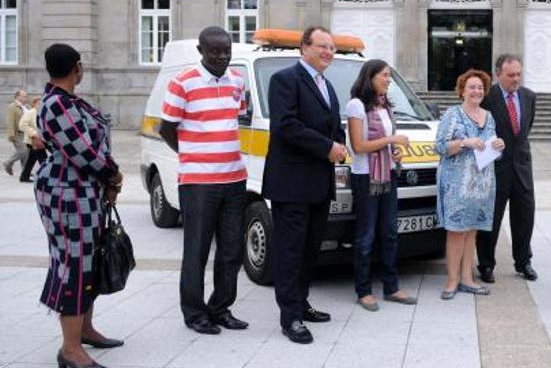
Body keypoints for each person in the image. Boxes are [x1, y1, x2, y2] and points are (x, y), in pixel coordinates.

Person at [35, 44, 124, 368]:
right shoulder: (58, 104)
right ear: (77, 67)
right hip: (66, 192)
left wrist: (108, 177)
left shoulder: (66, 101)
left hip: (80, 190)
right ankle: (70, 349)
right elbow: (83, 152)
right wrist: (113, 172)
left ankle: (85, 330)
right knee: (73, 263)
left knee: (88, 259)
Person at [159, 26, 250, 335]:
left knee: (231, 250)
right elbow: (166, 129)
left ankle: (221, 307)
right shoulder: (182, 82)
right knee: (196, 251)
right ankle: (195, 314)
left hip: (235, 179)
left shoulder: (237, 81)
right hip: (198, 182)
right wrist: (193, 155)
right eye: (215, 51)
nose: (222, 57)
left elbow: (233, 120)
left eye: (226, 51)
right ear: (201, 51)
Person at [262, 26, 347, 344]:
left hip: (319, 183)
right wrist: (327, 147)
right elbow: (285, 126)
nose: (329, 52)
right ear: (304, 48)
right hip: (291, 183)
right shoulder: (285, 80)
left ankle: (302, 302)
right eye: (323, 46)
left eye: (332, 48)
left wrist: (338, 143)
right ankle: (290, 317)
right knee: (290, 251)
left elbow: (333, 124)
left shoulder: (327, 85)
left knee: (310, 249)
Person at [345, 59, 418, 311]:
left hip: (387, 174)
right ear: (371, 77)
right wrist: (391, 139)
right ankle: (363, 291)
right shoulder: (356, 105)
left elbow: (386, 144)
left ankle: (391, 287)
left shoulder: (385, 106)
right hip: (365, 177)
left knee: (389, 234)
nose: (388, 80)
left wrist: (395, 150)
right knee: (366, 237)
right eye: (384, 76)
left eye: (389, 76)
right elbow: (359, 147)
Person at [435, 69, 505, 300]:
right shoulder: (452, 114)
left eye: (480, 87)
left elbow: (491, 146)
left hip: (482, 184)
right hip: (457, 184)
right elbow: (441, 147)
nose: (477, 91)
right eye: (472, 87)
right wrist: (465, 142)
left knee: (472, 231)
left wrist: (499, 146)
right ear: (462, 91)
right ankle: (452, 281)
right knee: (456, 231)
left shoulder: (489, 116)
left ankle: (467, 278)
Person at [476, 54, 538, 283]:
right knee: (491, 219)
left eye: (519, 74)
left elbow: (523, 131)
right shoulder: (487, 98)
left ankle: (524, 262)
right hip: (495, 169)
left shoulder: (529, 97)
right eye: (511, 75)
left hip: (522, 168)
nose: (516, 79)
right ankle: (486, 264)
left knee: (525, 217)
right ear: (498, 74)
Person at [19, 97, 47, 183]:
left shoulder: (40, 113)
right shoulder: (31, 112)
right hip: (32, 140)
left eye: (41, 103)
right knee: (44, 159)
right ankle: (46, 177)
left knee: (31, 160)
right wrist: (34, 133)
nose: (40, 105)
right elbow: (22, 125)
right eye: (38, 103)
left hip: (39, 140)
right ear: (34, 104)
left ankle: (24, 176)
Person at [4, 89, 28, 176]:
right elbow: (10, 121)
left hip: (25, 133)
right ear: (18, 96)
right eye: (23, 96)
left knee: (26, 152)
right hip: (17, 133)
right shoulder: (12, 106)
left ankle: (25, 171)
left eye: (26, 96)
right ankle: (8, 162)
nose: (25, 98)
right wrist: (11, 134)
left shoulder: (24, 106)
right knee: (23, 151)